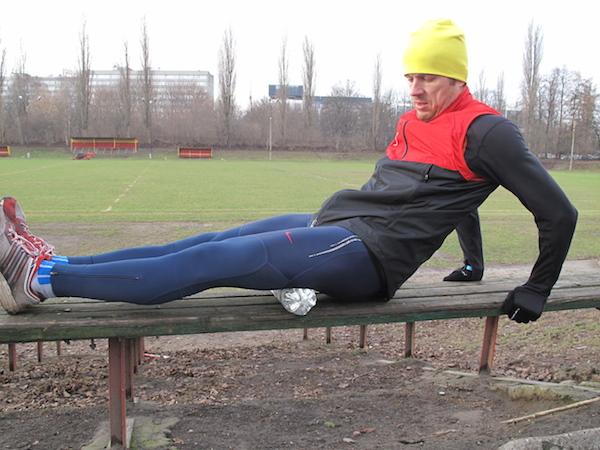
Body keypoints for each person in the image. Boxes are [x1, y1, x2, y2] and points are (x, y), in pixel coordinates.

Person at [0, 19, 577, 324]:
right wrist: (473, 265)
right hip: (340, 224)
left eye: (427, 77)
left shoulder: (489, 131)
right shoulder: (413, 120)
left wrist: (537, 288)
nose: (415, 88)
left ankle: (41, 281)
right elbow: (459, 195)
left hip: (370, 256)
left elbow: (558, 213)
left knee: (212, 264)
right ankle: (54, 262)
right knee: (207, 240)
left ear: (457, 77)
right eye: (410, 76)